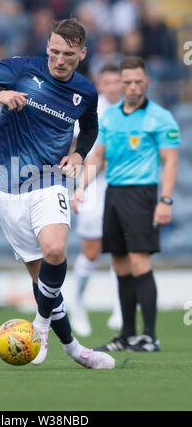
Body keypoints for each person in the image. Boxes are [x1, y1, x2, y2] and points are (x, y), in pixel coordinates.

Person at [0, 18, 115, 369]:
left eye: (69, 54)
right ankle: (75, 349)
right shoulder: (20, 70)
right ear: (47, 46)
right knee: (42, 280)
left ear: (82, 53)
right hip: (6, 186)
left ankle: (39, 326)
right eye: (55, 51)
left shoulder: (86, 91)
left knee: (56, 250)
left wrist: (78, 154)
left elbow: (90, 126)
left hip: (48, 181)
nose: (60, 60)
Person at [72, 56, 179, 352]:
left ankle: (149, 335)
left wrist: (165, 200)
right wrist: (81, 186)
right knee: (119, 264)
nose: (132, 87)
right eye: (127, 82)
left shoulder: (161, 117)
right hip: (114, 194)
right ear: (120, 83)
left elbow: (170, 162)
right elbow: (97, 157)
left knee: (139, 261)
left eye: (137, 81)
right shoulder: (109, 117)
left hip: (142, 193)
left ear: (146, 82)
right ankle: (126, 334)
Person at [70, 63, 123, 337]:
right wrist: (79, 184)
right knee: (91, 250)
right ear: (100, 84)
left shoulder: (132, 109)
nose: (113, 86)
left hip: (124, 184)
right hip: (94, 183)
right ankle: (77, 302)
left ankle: (120, 308)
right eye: (108, 82)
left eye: (118, 81)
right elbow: (78, 147)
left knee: (121, 249)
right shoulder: (91, 109)